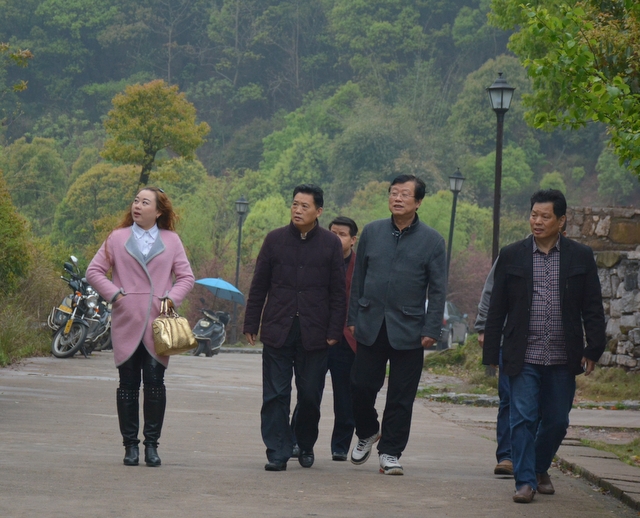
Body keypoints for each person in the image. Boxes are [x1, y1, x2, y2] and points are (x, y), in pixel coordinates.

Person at [483, 189, 606, 504]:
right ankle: (525, 482)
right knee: (522, 418)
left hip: (564, 354)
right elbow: (497, 307)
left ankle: (539, 467)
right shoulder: (512, 254)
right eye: (533, 215)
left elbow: (592, 306)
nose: (537, 221)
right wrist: (491, 352)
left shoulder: (580, 256)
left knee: (557, 421)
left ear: (561, 220)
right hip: (523, 353)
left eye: (545, 216)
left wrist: (594, 348)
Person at [86, 187, 194, 467]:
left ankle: (152, 446)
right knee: (127, 385)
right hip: (127, 319)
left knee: (155, 385)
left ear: (158, 211)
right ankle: (130, 446)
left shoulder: (171, 240)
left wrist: (171, 298)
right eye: (136, 200)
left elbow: (186, 277)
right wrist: (115, 296)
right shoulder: (117, 237)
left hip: (159, 322)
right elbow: (94, 271)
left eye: (145, 202)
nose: (137, 206)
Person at [347, 174, 446, 476]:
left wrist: (431, 328)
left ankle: (390, 452)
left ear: (418, 202)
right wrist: (353, 318)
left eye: (404, 194)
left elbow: (438, 289)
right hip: (371, 324)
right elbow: (358, 279)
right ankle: (368, 431)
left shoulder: (432, 241)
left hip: (410, 329)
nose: (397, 198)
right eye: (393, 192)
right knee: (360, 386)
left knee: (401, 396)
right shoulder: (372, 231)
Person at [243, 184, 346, 472]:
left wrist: (334, 331)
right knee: (275, 394)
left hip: (316, 333)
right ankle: (277, 450)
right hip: (278, 327)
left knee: (310, 395)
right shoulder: (274, 240)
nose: (298, 210)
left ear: (318, 211)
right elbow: (259, 285)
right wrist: (251, 322)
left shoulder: (330, 244)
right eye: (295, 204)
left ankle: (304, 443)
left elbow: (338, 293)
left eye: (305, 206)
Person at [291, 216, 359, 462]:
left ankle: (340, 445)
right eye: (333, 233)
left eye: (342, 234)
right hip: (318, 335)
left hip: (347, 339)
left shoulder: (360, 266)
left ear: (353, 240)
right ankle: (297, 440)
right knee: (309, 391)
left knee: (345, 395)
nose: (336, 238)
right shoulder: (317, 259)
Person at [475, 261, 513, 476]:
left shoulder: (569, 255)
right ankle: (507, 455)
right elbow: (490, 291)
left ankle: (535, 458)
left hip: (552, 342)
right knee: (508, 396)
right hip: (509, 338)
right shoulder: (511, 255)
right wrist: (483, 327)